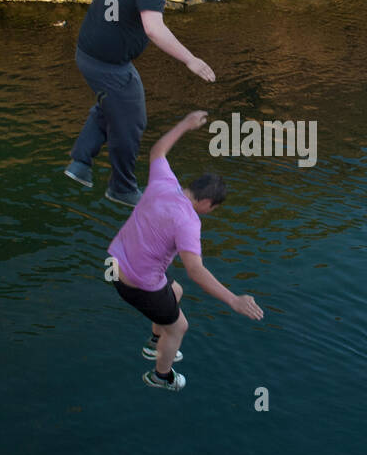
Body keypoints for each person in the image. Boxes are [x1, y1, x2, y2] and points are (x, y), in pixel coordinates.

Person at [107, 110, 264, 391]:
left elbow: (157, 150)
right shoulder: (189, 222)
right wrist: (233, 300)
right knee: (180, 327)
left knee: (176, 291)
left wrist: (185, 124)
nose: (211, 212)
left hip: (114, 263)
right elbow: (195, 270)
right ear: (207, 203)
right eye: (214, 209)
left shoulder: (164, 182)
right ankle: (161, 376)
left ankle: (155, 343)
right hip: (136, 283)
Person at [65, 0, 215, 205]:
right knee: (131, 121)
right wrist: (190, 59)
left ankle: (80, 162)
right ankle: (121, 188)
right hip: (110, 64)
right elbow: (154, 29)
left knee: (111, 105)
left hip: (86, 53)